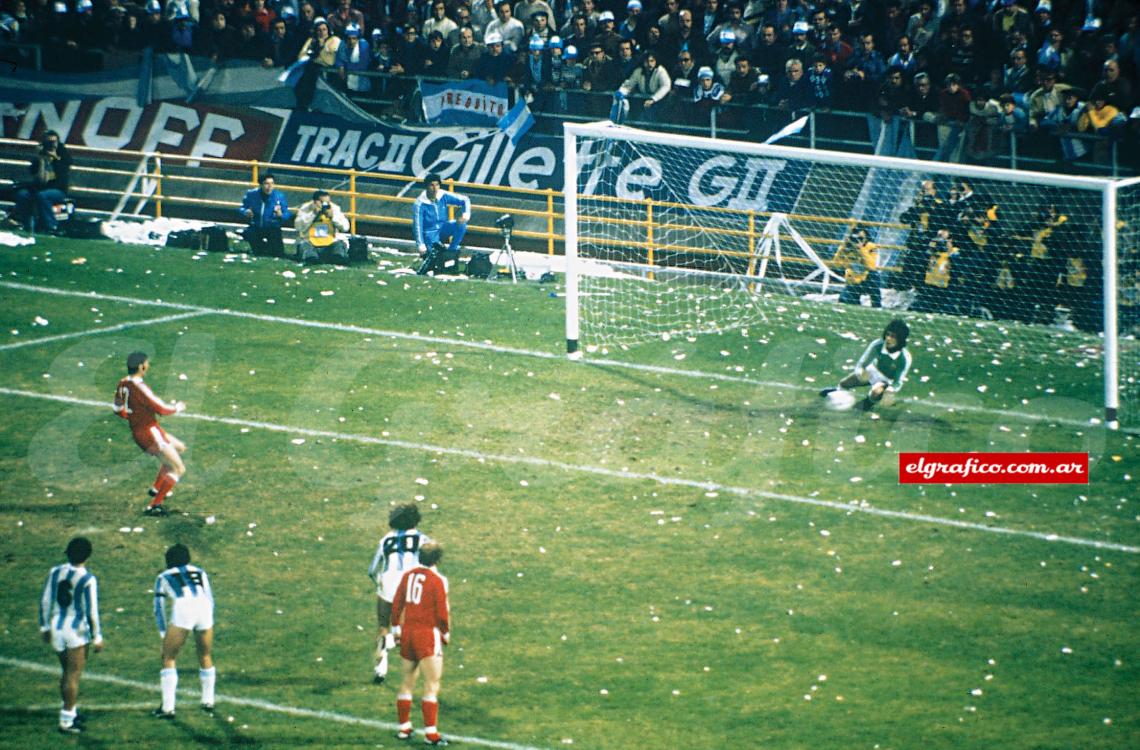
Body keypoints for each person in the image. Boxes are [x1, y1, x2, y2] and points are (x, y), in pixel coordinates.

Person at [39, 537, 103, 735]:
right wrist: (97, 636)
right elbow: (91, 611)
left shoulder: (55, 572)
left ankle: (71, 710)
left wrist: (44, 627)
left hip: (57, 627)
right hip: (76, 631)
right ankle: (66, 720)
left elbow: (45, 600)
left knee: (66, 672)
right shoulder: (88, 578)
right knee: (73, 676)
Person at [113, 351, 187, 516]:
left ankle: (155, 489)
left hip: (143, 431)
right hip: (150, 433)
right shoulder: (140, 387)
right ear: (141, 367)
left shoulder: (122, 384)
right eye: (147, 363)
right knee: (178, 468)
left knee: (179, 448)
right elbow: (161, 408)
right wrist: (178, 407)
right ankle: (154, 505)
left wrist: (134, 419)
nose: (148, 366)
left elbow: (117, 409)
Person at [391, 542, 450, 747]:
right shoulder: (438, 581)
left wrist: (396, 628)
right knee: (432, 684)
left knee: (407, 681)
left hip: (408, 632)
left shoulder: (408, 576)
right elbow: (442, 612)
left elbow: (397, 603)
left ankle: (404, 727)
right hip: (427, 634)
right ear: (438, 559)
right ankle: (431, 733)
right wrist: (445, 632)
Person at [368, 503, 432, 684]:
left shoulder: (385, 540)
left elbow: (372, 570)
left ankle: (380, 669)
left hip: (387, 585)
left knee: (382, 626)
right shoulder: (423, 539)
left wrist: (378, 584)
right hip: (409, 587)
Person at [151, 544, 216, 719]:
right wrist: (209, 620)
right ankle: (208, 700)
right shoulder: (200, 572)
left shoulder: (163, 576)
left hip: (183, 609)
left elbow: (158, 607)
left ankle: (167, 707)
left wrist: (163, 632)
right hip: (204, 610)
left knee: (168, 657)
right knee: (205, 655)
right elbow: (210, 598)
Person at [820, 318, 912, 411]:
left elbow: (897, 382)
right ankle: (838, 392)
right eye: (887, 334)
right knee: (845, 383)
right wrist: (861, 372)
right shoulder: (877, 345)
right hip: (873, 370)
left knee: (876, 391)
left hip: (886, 380)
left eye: (893, 336)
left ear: (900, 339)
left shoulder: (904, 358)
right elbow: (862, 364)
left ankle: (868, 403)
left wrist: (889, 391)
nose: (888, 338)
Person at [12, 130, 72, 234]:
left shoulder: (63, 154)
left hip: (58, 190)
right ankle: (26, 223)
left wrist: (55, 158)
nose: (50, 145)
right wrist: (40, 159)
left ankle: (51, 225)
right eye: (48, 142)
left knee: (42, 196)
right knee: (23, 194)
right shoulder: (41, 155)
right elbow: (36, 176)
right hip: (40, 188)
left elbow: (64, 169)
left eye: (53, 142)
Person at [412, 173, 471, 274]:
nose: (435, 188)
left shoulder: (443, 195)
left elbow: (465, 200)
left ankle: (451, 252)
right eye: (432, 185)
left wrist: (465, 216)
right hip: (430, 233)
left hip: (443, 227)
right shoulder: (419, 204)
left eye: (437, 185)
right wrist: (421, 245)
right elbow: (417, 226)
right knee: (434, 258)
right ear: (426, 187)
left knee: (461, 225)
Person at [239, 173, 292, 258]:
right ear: (261, 184)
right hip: (256, 226)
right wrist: (246, 211)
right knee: (258, 250)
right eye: (267, 183)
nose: (269, 186)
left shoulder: (279, 196)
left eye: (272, 183)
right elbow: (242, 208)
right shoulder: (251, 194)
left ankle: (270, 248)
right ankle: (263, 247)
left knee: (278, 253)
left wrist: (280, 215)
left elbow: (287, 214)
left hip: (272, 227)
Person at [294, 189, 350, 263]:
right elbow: (298, 227)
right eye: (322, 202)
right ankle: (311, 258)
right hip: (311, 242)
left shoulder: (334, 208)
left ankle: (337, 258)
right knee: (304, 246)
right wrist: (313, 214)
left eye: (327, 202)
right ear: (314, 202)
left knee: (339, 245)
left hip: (330, 243)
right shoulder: (305, 208)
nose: (325, 205)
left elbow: (346, 227)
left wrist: (333, 217)